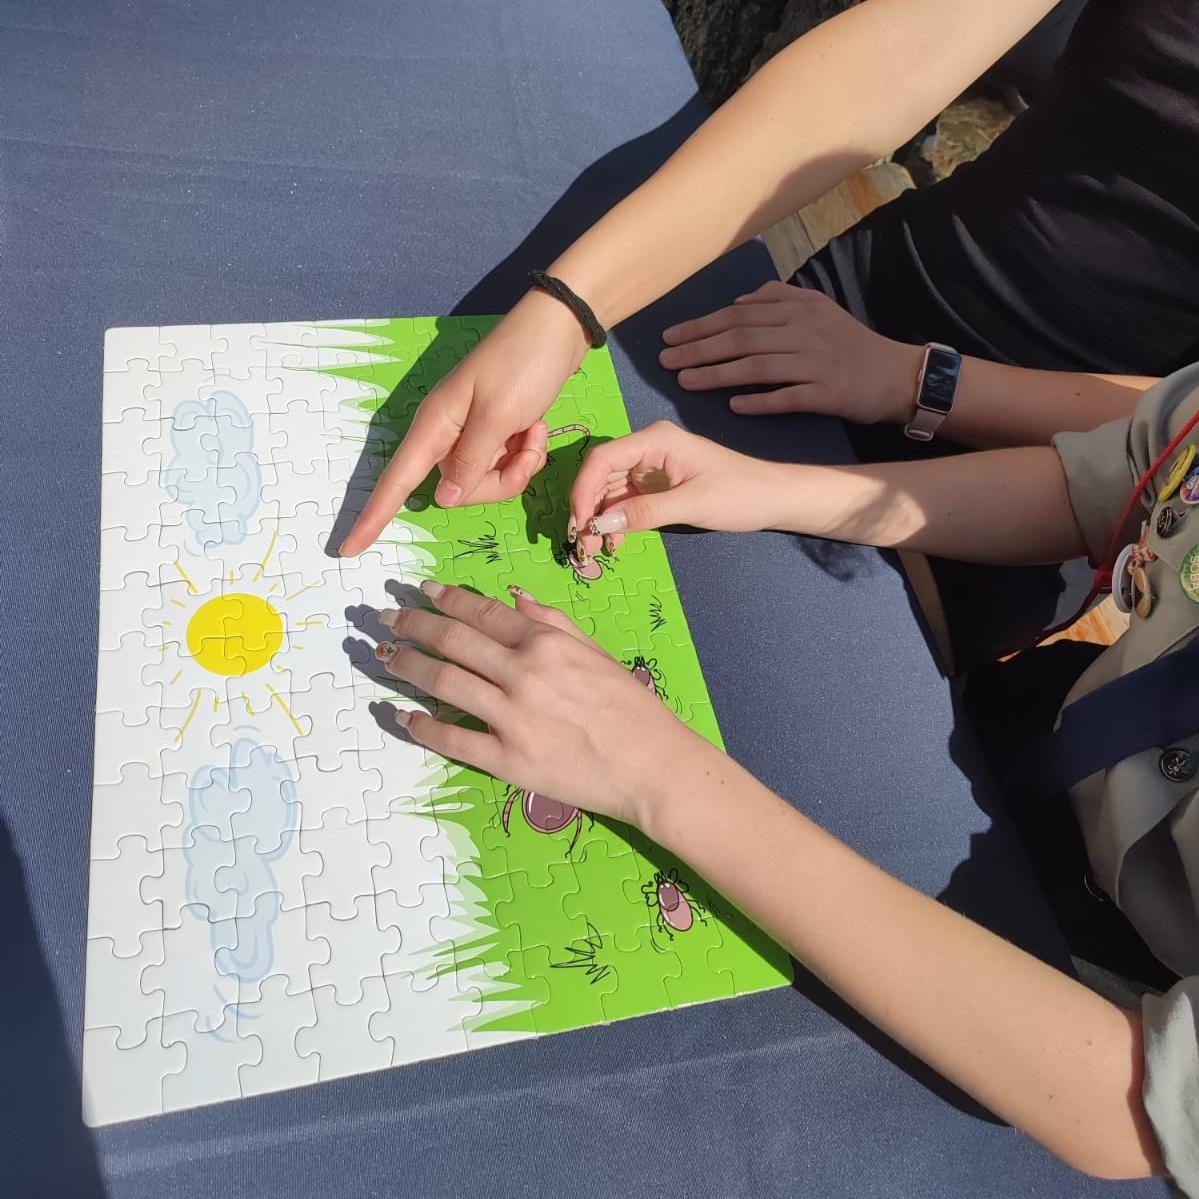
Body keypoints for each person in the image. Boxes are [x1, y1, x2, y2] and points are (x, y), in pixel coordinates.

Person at [371, 363, 1199, 1194]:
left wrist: (656, 772)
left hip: (1084, 993)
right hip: (1053, 745)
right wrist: (766, 488)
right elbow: (1110, 481)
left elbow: (1130, 1102)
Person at [339, 0, 1199, 564]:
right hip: (845, 309)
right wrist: (566, 309)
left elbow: (1172, 433)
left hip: (1075, 474)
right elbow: (893, 60)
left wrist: (910, 379)